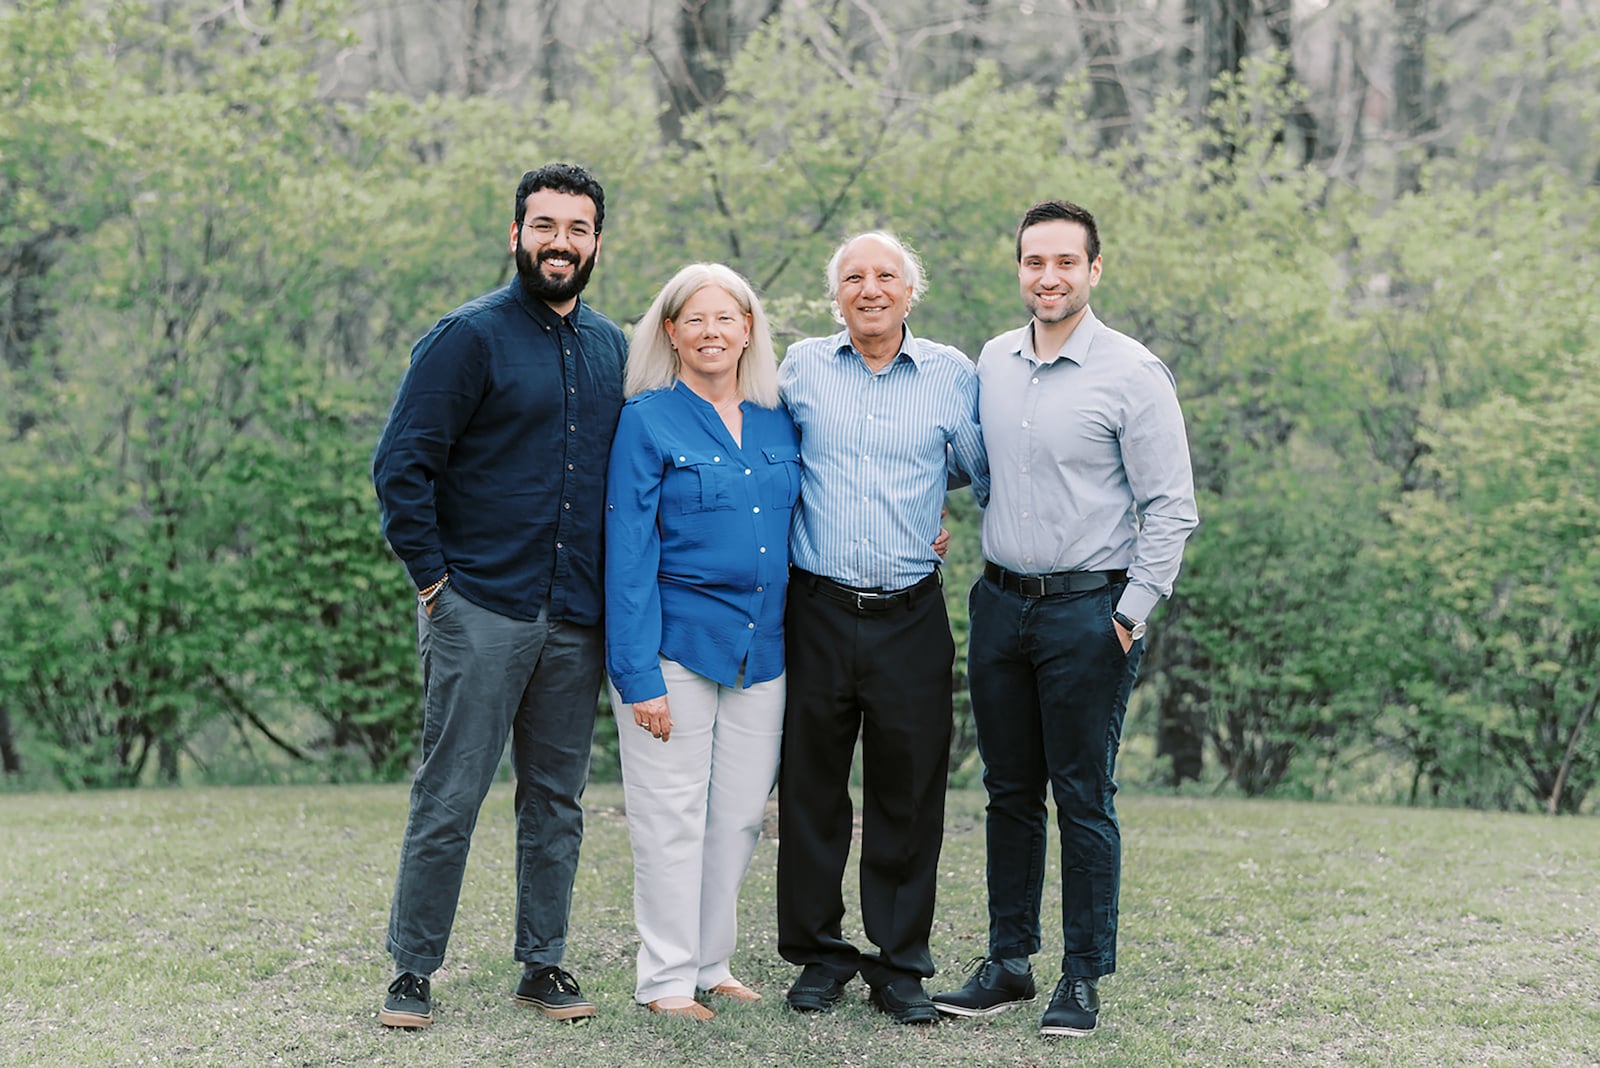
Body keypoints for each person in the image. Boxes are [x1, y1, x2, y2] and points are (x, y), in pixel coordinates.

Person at [932, 200, 1198, 1037]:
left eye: (1064, 263)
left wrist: (1129, 614)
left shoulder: (1132, 372)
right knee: (1009, 793)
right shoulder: (993, 360)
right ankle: (1009, 962)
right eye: (1033, 262)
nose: (1048, 277)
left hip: (1090, 612)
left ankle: (1082, 978)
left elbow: (1173, 508)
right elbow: (974, 469)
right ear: (1018, 268)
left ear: (1094, 270)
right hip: (1000, 606)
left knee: (1084, 797)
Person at [370, 163, 627, 1030]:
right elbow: (402, 467)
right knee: (450, 794)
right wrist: (436, 584)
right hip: (478, 604)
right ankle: (412, 968)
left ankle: (542, 963)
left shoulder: (613, 349)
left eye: (578, 228)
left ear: (597, 242)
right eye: (546, 225)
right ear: (516, 233)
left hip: (574, 614)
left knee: (557, 801)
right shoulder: (467, 337)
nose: (562, 242)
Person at [776, 231, 988, 1025]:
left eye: (886, 275)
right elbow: (765, 458)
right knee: (810, 792)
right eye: (854, 277)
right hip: (816, 610)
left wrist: (930, 507)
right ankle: (820, 957)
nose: (870, 288)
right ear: (836, 295)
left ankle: (899, 966)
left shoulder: (952, 374)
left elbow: (973, 467)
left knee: (908, 795)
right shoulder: (798, 369)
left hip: (910, 615)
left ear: (910, 290)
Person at [603, 263, 800, 1022]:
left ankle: (712, 962)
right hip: (674, 649)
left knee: (740, 815)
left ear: (749, 329)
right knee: (669, 814)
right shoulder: (648, 419)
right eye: (696, 320)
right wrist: (636, 673)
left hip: (764, 651)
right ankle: (665, 981)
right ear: (672, 334)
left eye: (727, 319)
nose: (713, 332)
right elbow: (627, 553)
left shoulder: (782, 419)